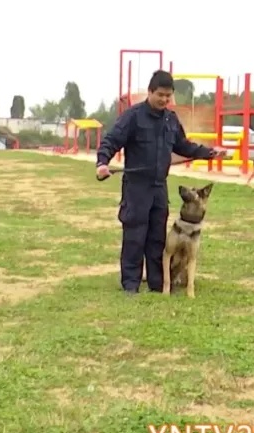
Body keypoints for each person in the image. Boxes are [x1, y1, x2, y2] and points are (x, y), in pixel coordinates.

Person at [95, 70, 228, 295]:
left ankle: (157, 284)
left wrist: (210, 153)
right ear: (150, 92)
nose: (164, 100)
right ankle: (130, 284)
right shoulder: (133, 116)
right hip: (137, 187)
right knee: (135, 236)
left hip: (159, 186)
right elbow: (111, 140)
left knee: (157, 237)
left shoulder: (171, 119)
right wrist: (102, 163)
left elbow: (184, 146)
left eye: (168, 96)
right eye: (160, 95)